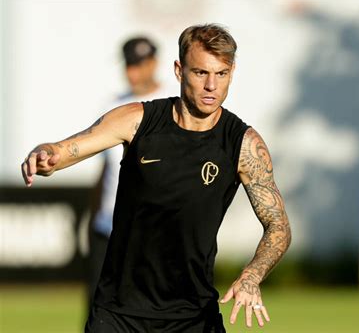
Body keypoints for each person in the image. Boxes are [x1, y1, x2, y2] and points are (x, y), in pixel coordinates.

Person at [21, 24, 291, 332]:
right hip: (119, 315)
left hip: (194, 316)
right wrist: (44, 155)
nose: (211, 86)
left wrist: (252, 276)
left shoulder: (243, 144)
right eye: (201, 73)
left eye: (222, 74)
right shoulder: (137, 120)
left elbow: (278, 225)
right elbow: (65, 149)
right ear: (179, 70)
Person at [88, 36, 168, 309]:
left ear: (154, 63)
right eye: (129, 65)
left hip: (151, 231)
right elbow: (105, 168)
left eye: (139, 64)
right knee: (98, 310)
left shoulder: (173, 104)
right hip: (107, 227)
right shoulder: (113, 104)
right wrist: (93, 217)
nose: (132, 72)